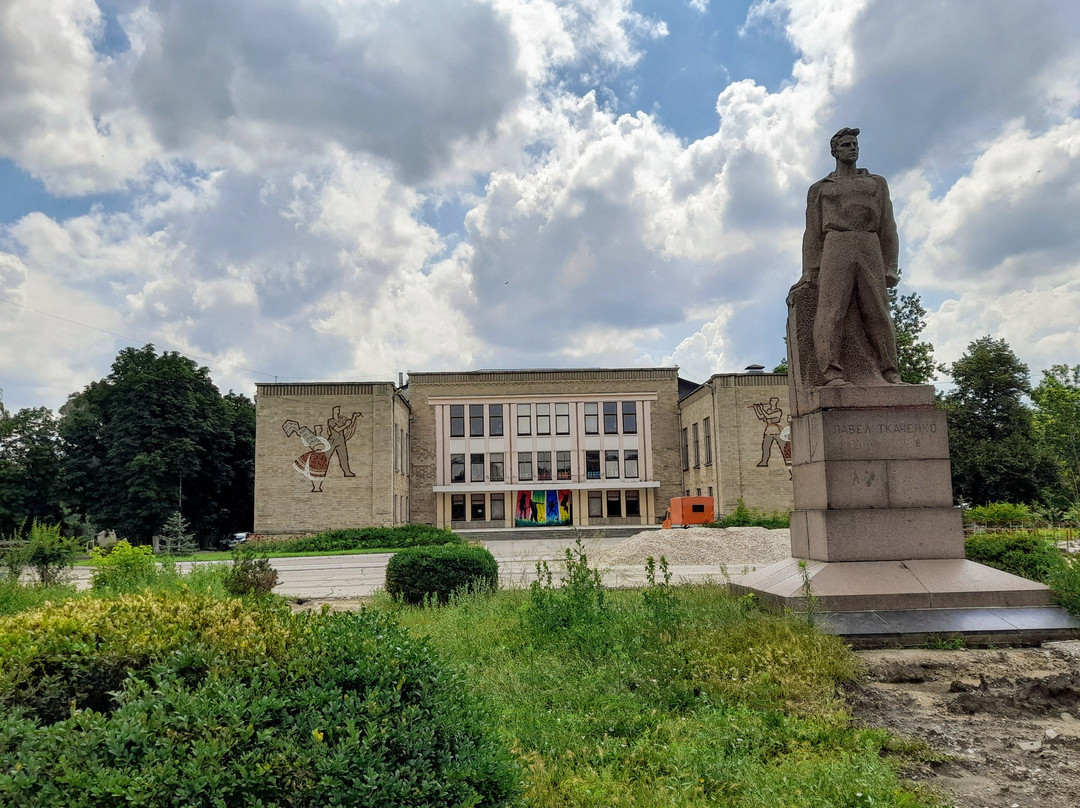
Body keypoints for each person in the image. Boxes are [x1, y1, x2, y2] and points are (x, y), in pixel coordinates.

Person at [801, 127, 902, 387]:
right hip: (837, 242)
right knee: (832, 311)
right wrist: (810, 269)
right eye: (846, 145)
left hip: (869, 242)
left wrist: (891, 264)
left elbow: (888, 226)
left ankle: (891, 371)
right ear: (834, 151)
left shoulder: (875, 183)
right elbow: (812, 231)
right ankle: (832, 373)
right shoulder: (820, 188)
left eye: (854, 144)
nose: (852, 148)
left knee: (879, 311)